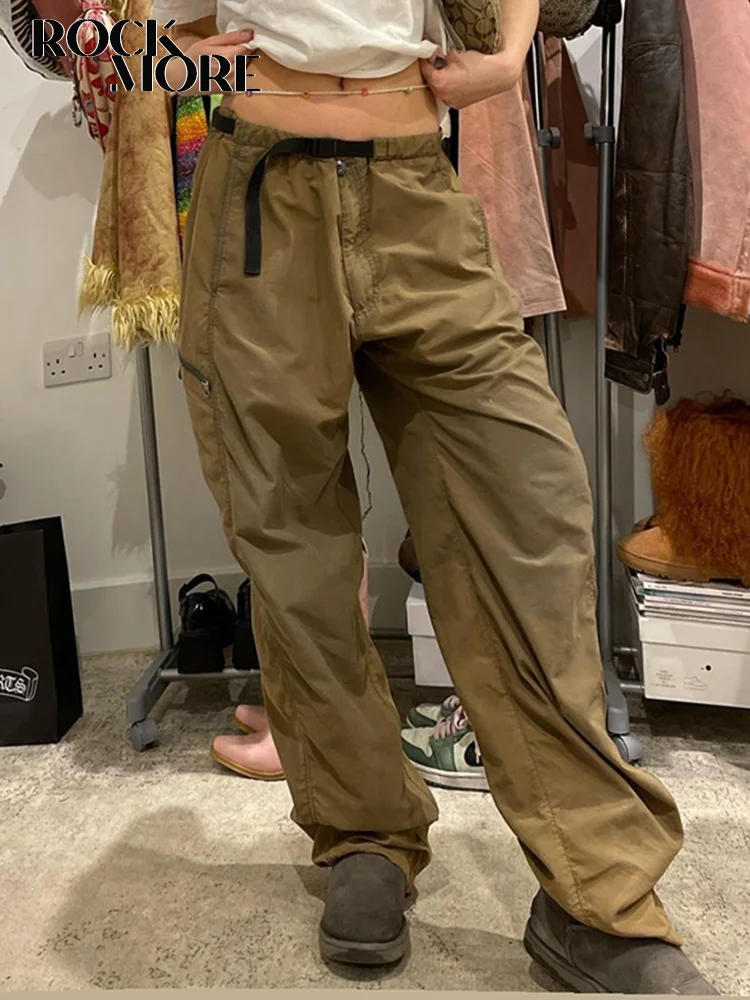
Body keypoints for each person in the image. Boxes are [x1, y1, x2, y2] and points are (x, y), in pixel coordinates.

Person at [153, 0, 717, 991]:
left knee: (528, 514)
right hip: (256, 199)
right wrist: (165, 58)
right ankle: (363, 834)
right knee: (294, 551)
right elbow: (57, 29)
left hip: (413, 183)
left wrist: (511, 48)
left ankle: (598, 894)